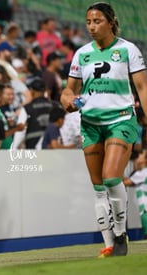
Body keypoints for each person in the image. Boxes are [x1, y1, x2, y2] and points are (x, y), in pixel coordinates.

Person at [60, 2, 147, 257]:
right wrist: (67, 100)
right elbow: (69, 90)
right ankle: (109, 243)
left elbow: (142, 87)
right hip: (90, 124)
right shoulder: (81, 54)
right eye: (88, 22)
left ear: (110, 22)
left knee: (111, 178)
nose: (92, 26)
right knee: (98, 186)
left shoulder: (128, 50)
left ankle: (120, 234)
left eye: (97, 21)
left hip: (121, 120)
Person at [12, 77, 61, 149]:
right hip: (53, 148)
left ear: (31, 91)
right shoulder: (56, 106)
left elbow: (20, 131)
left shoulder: (27, 109)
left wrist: (14, 148)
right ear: (45, 91)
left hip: (33, 150)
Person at [123, 151, 147, 239]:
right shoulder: (141, 174)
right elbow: (131, 181)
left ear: (145, 160)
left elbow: (125, 182)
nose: (138, 156)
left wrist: (116, 169)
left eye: (141, 154)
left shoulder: (143, 173)